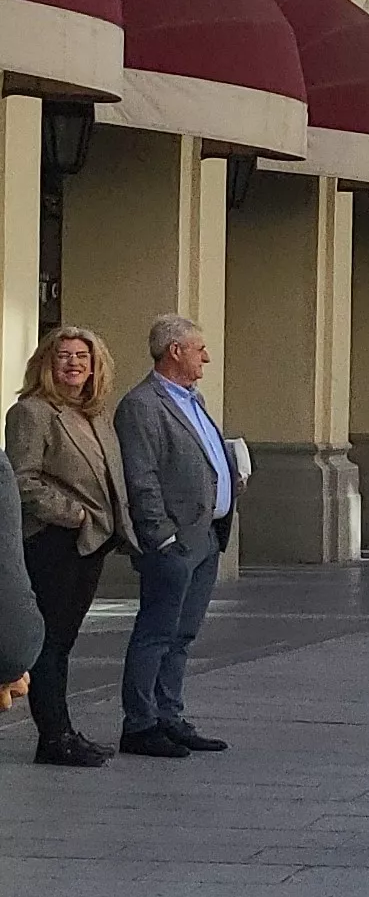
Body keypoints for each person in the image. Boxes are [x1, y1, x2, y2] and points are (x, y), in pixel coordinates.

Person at [112, 315, 236, 758]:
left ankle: (170, 715)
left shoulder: (194, 400)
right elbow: (141, 478)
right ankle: (140, 723)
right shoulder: (142, 405)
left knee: (183, 635)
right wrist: (160, 538)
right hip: (173, 543)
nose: (206, 356)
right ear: (175, 351)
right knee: (157, 631)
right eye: (199, 347)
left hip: (205, 537)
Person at [9, 327, 129, 766]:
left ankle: (63, 729)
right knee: (51, 643)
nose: (74, 363)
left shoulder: (95, 414)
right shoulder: (33, 413)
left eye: (83, 356)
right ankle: (53, 736)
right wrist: (75, 516)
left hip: (91, 542)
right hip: (53, 540)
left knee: (65, 640)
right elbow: (23, 480)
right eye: (64, 356)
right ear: (46, 363)